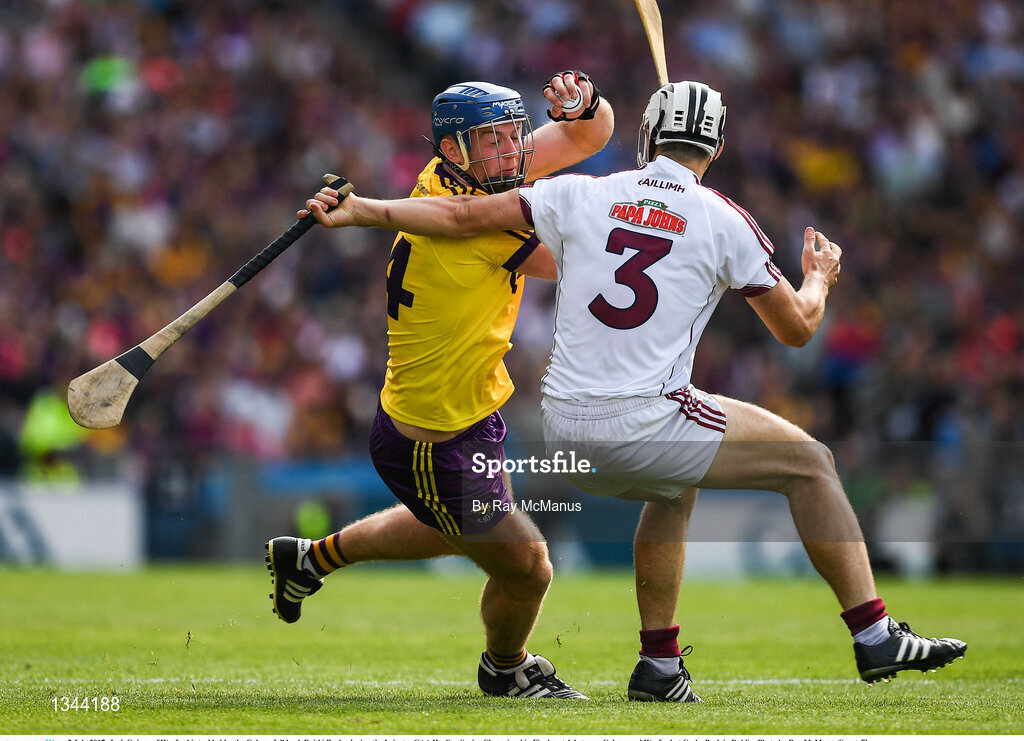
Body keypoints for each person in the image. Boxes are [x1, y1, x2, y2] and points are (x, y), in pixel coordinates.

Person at [304, 80, 968, 702]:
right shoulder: (724, 218)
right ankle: (876, 635)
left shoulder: (582, 195)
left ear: (647, 134)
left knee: (673, 486)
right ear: (719, 148)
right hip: (636, 423)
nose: (514, 150)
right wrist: (820, 276)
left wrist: (362, 209)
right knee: (812, 465)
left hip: (563, 428)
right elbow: (797, 328)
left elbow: (461, 215)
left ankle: (660, 664)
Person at [266, 71, 613, 700]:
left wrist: (586, 106)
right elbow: (579, 265)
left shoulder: (468, 176)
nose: (513, 151)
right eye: (494, 140)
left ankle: (309, 560)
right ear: (454, 150)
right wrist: (665, 203)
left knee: (456, 527)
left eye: (514, 133)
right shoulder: (476, 221)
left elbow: (588, 135)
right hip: (433, 438)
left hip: (469, 413)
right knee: (528, 567)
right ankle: (506, 670)